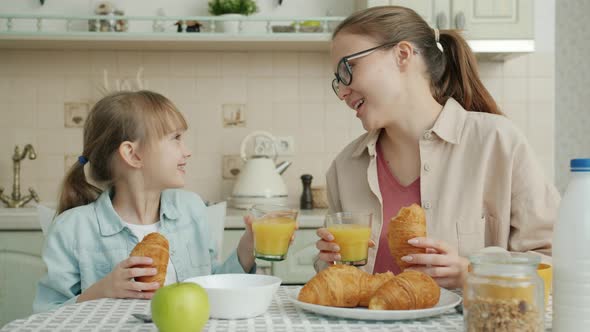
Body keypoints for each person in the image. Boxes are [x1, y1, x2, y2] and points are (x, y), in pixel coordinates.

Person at [314, 6, 560, 289]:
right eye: (337, 81)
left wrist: (473, 273)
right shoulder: (345, 167)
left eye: (348, 68)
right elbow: (335, 281)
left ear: (402, 54)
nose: (342, 91)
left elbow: (556, 259)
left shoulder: (498, 143)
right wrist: (330, 262)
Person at [34, 90, 257, 313]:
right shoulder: (72, 228)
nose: (187, 151)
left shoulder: (192, 209)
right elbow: (45, 315)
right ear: (133, 154)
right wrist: (101, 290)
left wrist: (247, 248)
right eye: (176, 138)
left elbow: (213, 288)